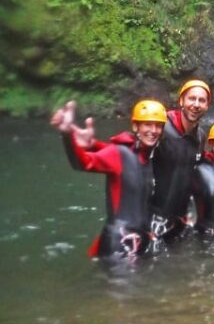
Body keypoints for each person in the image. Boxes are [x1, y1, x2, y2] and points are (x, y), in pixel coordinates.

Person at [51, 99, 167, 260]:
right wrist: (66, 135)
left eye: (158, 126)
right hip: (119, 242)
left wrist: (93, 144)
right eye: (147, 124)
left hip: (139, 241)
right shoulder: (119, 153)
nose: (153, 130)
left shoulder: (147, 157)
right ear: (135, 127)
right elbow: (82, 163)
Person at [150, 79, 212, 241]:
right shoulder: (161, 128)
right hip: (153, 217)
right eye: (192, 98)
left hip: (181, 219)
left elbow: (198, 170)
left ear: (207, 106)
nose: (196, 104)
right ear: (181, 101)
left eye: (202, 100)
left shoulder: (201, 136)